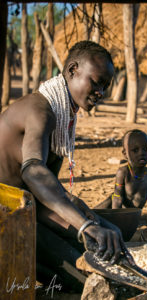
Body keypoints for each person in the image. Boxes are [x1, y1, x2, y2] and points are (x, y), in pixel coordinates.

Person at [0, 41, 133, 290]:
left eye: (105, 86)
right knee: (95, 279)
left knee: (101, 251)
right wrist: (84, 225)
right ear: (72, 70)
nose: (100, 93)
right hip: (7, 218)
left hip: (23, 210)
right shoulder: (41, 113)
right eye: (96, 82)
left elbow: (42, 197)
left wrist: (94, 222)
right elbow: (33, 172)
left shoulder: (61, 115)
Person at [96, 129, 147, 228]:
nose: (142, 153)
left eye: (146, 149)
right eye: (135, 150)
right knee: (96, 214)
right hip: (117, 207)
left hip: (133, 213)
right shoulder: (123, 172)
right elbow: (117, 199)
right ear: (125, 154)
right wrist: (116, 224)